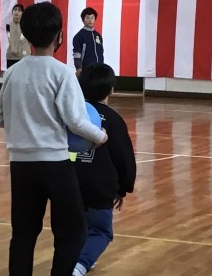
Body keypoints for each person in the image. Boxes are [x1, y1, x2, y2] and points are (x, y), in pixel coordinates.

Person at [0, 1, 109, 276]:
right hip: (55, 164)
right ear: (59, 36)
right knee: (71, 230)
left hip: (20, 166)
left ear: (26, 34)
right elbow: (76, 121)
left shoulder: (13, 72)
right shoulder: (62, 72)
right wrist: (100, 136)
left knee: (23, 234)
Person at [72, 63, 136, 276]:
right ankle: (79, 267)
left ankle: (77, 259)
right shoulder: (114, 119)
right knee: (101, 231)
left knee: (74, 227)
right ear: (111, 89)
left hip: (69, 182)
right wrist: (123, 188)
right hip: (99, 187)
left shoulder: (71, 114)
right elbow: (124, 158)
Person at [73, 7, 104, 76]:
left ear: (95, 19)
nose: (90, 20)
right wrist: (78, 68)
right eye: (87, 18)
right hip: (86, 70)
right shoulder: (79, 36)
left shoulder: (98, 35)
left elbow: (101, 52)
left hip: (99, 69)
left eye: (92, 18)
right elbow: (77, 54)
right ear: (83, 20)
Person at [6, 4, 30, 69]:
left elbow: (30, 41)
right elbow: (9, 40)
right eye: (15, 10)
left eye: (19, 10)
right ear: (12, 12)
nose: (16, 12)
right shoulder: (8, 26)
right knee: (11, 75)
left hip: (23, 56)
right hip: (11, 57)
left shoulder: (26, 26)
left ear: (22, 13)